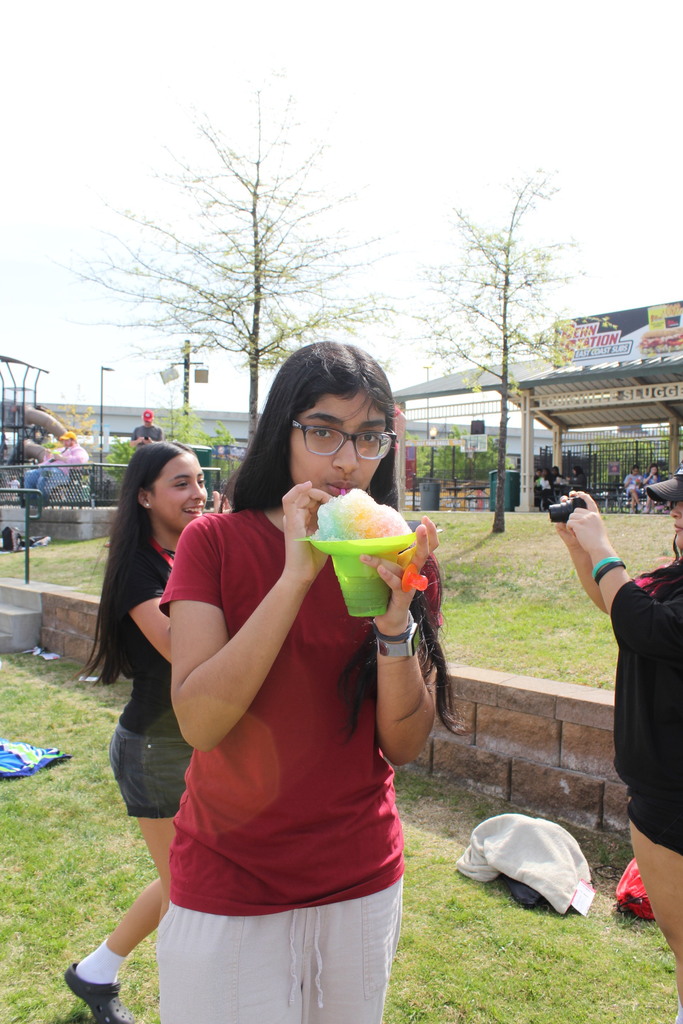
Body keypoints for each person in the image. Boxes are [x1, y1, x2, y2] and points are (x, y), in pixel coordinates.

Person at [157, 341, 458, 1024]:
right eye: (322, 432)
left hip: (358, 876)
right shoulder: (216, 542)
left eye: (369, 437)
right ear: (281, 433)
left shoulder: (400, 554)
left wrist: (393, 629)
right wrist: (296, 574)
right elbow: (200, 723)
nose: (348, 461)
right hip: (229, 877)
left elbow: (404, 746)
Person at [64, 442, 207, 1024]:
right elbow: (180, 647)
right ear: (145, 496)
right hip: (154, 749)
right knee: (190, 889)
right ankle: (123, 982)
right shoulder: (138, 569)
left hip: (195, 742)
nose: (196, 493)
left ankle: (95, 971)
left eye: (199, 480)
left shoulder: (190, 553)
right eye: (180, 483)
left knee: (192, 879)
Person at [556, 468, 683, 1024]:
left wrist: (603, 545)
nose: (675, 513)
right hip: (658, 790)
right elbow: (621, 607)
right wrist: (582, 552)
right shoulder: (677, 577)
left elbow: (646, 627)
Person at [23, 430, 89, 500]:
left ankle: (42, 501)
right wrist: (48, 455)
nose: (64, 442)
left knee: (44, 477)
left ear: (73, 440)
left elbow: (79, 461)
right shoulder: (61, 449)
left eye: (67, 440)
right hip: (46, 468)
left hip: (62, 473)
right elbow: (49, 460)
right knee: (29, 474)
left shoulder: (78, 450)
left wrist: (61, 458)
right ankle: (32, 502)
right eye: (63, 440)